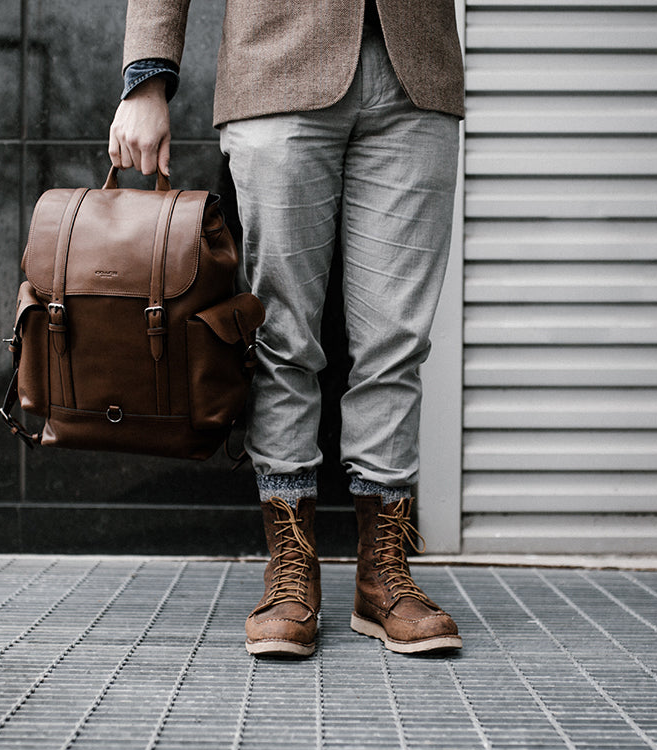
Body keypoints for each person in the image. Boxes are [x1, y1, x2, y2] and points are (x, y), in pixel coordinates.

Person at [109, 0, 464, 657]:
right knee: (279, 336)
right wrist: (148, 76)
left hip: (417, 66)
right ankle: (290, 566)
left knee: (396, 342)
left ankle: (382, 572)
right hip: (276, 66)